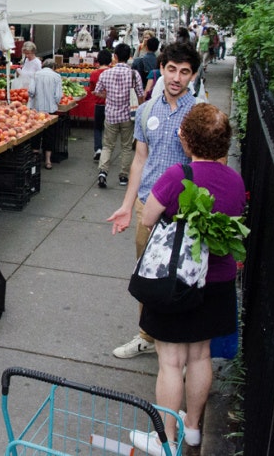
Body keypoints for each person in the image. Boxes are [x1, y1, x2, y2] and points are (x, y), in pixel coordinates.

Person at [129, 104, 245, 454]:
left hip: (177, 281)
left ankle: (165, 438)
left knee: (171, 361)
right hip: (218, 281)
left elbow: (148, 218)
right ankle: (193, 429)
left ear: (186, 139)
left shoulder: (178, 175)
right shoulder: (235, 180)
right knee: (200, 356)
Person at [106, 42, 201, 358]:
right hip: (147, 207)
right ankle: (147, 335)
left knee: (182, 278)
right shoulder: (146, 110)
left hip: (184, 213)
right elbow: (139, 160)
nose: (176, 78)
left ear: (193, 75)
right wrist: (126, 205)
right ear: (161, 69)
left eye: (184, 72)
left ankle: (178, 344)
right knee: (147, 275)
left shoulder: (199, 113)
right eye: (171, 69)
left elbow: (210, 165)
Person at [94, 43, 144, 189]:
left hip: (110, 115)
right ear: (129, 57)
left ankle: (103, 172)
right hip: (128, 116)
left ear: (114, 57)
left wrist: (108, 95)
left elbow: (97, 92)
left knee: (108, 145)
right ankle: (123, 176)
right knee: (126, 147)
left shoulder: (105, 74)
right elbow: (140, 95)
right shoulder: (134, 74)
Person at [28, 59, 64, 169]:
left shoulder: (36, 74)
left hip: (36, 109)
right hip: (50, 110)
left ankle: (35, 160)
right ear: (53, 67)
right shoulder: (56, 76)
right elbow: (58, 95)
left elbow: (31, 91)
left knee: (36, 133)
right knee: (49, 135)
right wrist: (55, 102)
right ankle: (48, 161)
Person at [89, 50, 113, 161]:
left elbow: (92, 89)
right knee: (109, 129)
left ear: (98, 60)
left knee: (98, 128)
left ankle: (98, 149)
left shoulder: (94, 74)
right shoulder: (112, 72)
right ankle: (107, 152)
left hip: (99, 104)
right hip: (110, 104)